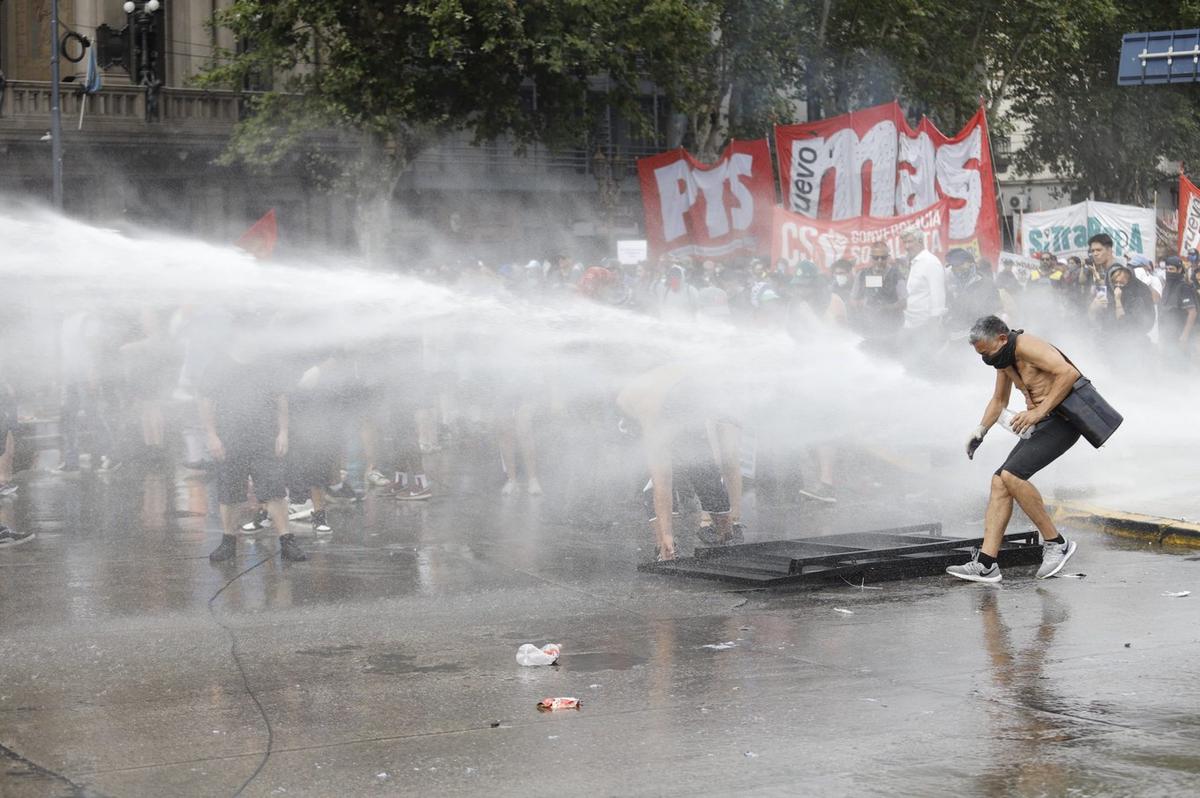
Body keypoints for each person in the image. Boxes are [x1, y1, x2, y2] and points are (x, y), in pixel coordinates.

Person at [951, 316, 1084, 583]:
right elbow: (999, 400)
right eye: (981, 356)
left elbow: (1070, 374)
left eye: (987, 353)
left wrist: (1038, 413)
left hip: (1065, 420)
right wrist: (981, 430)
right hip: (1043, 420)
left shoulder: (1027, 346)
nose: (986, 359)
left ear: (1002, 338)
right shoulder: (1003, 358)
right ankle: (987, 564)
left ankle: (1057, 542)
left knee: (1012, 475)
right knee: (1000, 481)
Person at [616, 365, 741, 561]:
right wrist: (667, 535)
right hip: (634, 418)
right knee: (653, 481)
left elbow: (714, 454)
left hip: (679, 406)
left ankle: (725, 535)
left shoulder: (697, 390)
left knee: (706, 473)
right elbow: (662, 483)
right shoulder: (653, 416)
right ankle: (664, 548)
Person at [201, 333, 307, 563]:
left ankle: (286, 541)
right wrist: (211, 435)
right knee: (230, 492)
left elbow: (281, 400)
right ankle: (228, 542)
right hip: (230, 438)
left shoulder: (267, 364)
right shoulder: (219, 365)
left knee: (274, 491)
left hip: (264, 437)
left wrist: (283, 432)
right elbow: (207, 402)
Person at [850, 241, 904, 345]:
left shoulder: (896, 274)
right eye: (876, 257)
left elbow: (904, 302)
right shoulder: (862, 274)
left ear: (888, 257)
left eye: (883, 257)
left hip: (892, 328)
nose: (879, 261)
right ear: (871, 258)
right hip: (868, 327)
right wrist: (864, 303)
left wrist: (887, 307)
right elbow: (853, 300)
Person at [945, 248, 1001, 337]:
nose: (957, 270)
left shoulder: (987, 285)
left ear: (971, 263)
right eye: (954, 267)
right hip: (956, 338)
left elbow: (996, 311)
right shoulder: (951, 286)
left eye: (960, 265)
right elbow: (949, 310)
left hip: (980, 337)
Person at [1158, 255, 1198, 366]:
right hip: (1168, 336)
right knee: (1168, 368)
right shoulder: (1167, 287)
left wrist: (1184, 336)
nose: (1168, 272)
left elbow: (1192, 312)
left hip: (1180, 336)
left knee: (1180, 368)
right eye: (1166, 269)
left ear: (1179, 270)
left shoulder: (1184, 287)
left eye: (1171, 269)